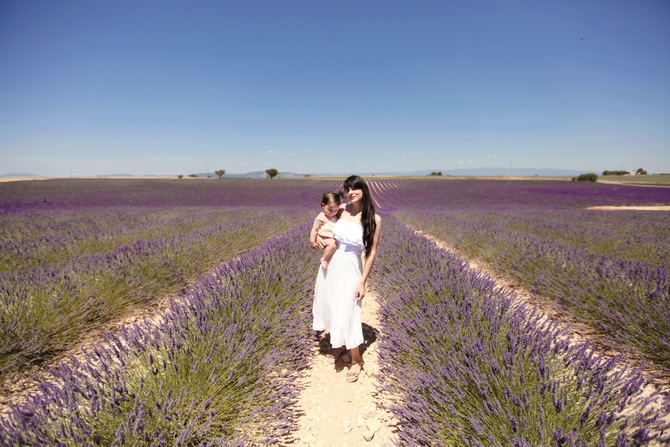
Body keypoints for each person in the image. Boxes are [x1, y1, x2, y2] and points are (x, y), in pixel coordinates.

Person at [311, 175, 382, 383]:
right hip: (331, 265)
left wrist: (362, 281)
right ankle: (339, 343)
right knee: (334, 305)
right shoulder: (340, 210)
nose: (351, 192)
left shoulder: (374, 219)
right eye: (348, 189)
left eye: (355, 189)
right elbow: (321, 219)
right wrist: (316, 238)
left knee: (351, 311)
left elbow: (372, 252)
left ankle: (356, 360)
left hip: (351, 267)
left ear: (364, 190)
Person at [309, 192, 342, 270]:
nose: (333, 213)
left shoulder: (334, 215)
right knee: (333, 244)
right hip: (324, 237)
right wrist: (313, 242)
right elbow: (314, 230)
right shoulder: (321, 218)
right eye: (330, 210)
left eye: (336, 210)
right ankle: (324, 259)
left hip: (330, 237)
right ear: (323, 205)